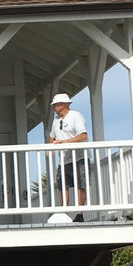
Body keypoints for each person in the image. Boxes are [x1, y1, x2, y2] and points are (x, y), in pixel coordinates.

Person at [48, 93, 87, 221]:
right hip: (63, 159)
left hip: (78, 157)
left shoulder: (75, 116)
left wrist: (63, 142)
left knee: (80, 184)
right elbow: (52, 136)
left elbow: (83, 136)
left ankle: (79, 214)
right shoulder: (56, 120)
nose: (54, 107)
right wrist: (50, 147)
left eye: (56, 105)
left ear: (62, 105)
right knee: (62, 186)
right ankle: (64, 213)